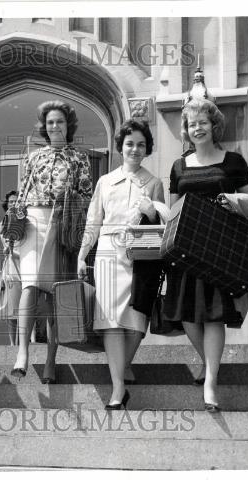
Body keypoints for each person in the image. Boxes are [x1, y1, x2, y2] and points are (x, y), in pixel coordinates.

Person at [162, 98, 248, 413]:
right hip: (187, 250)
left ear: (213, 125)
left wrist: (234, 202)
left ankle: (210, 384)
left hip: (221, 248)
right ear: (187, 131)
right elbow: (173, 210)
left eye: (203, 122)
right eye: (192, 124)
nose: (198, 128)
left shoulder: (233, 161)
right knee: (189, 318)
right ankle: (210, 365)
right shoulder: (179, 166)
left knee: (214, 316)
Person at [78, 119, 164, 409]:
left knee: (137, 320)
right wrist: (82, 254)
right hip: (108, 253)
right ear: (121, 147)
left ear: (147, 148)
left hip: (140, 254)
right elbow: (93, 220)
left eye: (141, 144)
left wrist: (152, 212)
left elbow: (161, 226)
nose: (135, 149)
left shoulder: (154, 183)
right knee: (111, 321)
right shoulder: (105, 181)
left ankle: (122, 365)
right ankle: (118, 387)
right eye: (130, 144)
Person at [10, 100, 93, 383]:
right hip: (34, 223)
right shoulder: (33, 158)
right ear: (44, 128)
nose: (55, 126)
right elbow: (21, 195)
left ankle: (50, 361)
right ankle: (22, 352)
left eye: (59, 121)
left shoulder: (79, 158)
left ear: (68, 125)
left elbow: (87, 198)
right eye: (50, 123)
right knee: (30, 285)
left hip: (62, 225)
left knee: (56, 294)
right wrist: (12, 228)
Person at [0, 190, 20, 346]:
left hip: (24, 263)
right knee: (11, 305)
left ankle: (30, 339)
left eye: (16, 201)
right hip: (11, 265)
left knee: (27, 305)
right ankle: (12, 343)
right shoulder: (3, 223)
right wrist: (8, 249)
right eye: (11, 201)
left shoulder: (25, 220)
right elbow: (6, 245)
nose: (13, 204)